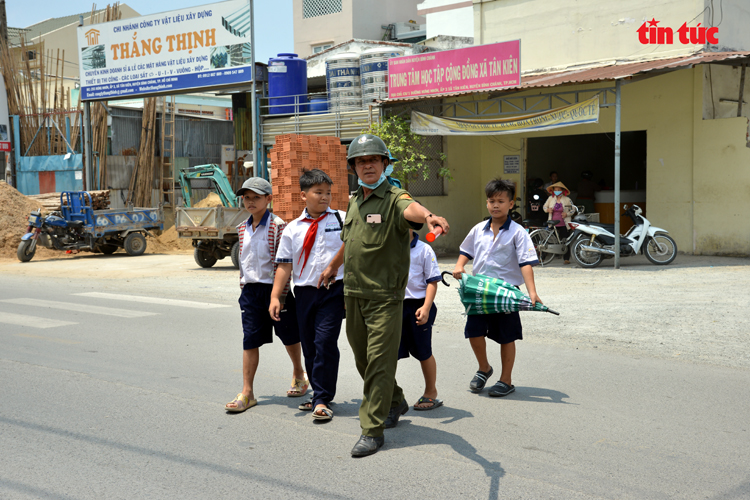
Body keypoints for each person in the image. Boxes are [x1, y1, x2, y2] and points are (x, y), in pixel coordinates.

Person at [318, 133, 450, 458]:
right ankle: (395, 400)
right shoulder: (354, 201)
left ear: (384, 164)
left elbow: (412, 209)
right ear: (354, 167)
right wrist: (332, 267)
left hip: (385, 299)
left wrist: (429, 216)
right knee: (364, 360)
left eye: (373, 160)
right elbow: (351, 241)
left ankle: (372, 430)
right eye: (361, 161)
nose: (367, 166)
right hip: (353, 294)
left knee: (378, 362)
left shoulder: (393, 197)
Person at [452, 178, 541, 398]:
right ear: (487, 203)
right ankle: (484, 368)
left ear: (511, 204)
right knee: (473, 331)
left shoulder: (518, 232)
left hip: (506, 292)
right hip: (479, 290)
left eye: (501, 201)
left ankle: (506, 380)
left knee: (506, 336)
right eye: (491, 201)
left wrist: (532, 292)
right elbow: (466, 251)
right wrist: (459, 265)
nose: (495, 205)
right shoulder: (478, 229)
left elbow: (526, 263)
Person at [225, 177, 308, 413]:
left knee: (289, 335)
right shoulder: (242, 228)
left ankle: (299, 374)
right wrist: (244, 288)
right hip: (251, 292)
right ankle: (247, 392)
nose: (250, 202)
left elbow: (283, 264)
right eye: (247, 197)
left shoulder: (278, 226)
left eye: (256, 197)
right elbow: (245, 262)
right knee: (250, 339)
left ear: (268, 199)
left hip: (276, 291)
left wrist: (278, 295)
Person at [269, 169, 345, 423]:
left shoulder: (343, 220)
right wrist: (275, 296)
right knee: (310, 346)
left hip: (333, 291)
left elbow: (355, 242)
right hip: (303, 293)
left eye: (328, 193)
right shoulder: (292, 229)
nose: (325, 197)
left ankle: (322, 398)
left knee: (325, 342)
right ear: (304, 195)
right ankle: (318, 394)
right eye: (318, 192)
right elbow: (284, 265)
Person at [398, 228, 442, 411]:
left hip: (418, 306)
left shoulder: (424, 249)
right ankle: (389, 396)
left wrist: (426, 307)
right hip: (393, 306)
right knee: (388, 354)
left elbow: (432, 281)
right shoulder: (385, 248)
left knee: (423, 350)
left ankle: (431, 392)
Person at [542, 181, 575, 264]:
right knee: (548, 240)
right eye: (555, 190)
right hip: (552, 223)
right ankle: (542, 258)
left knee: (565, 241)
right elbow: (544, 207)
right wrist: (547, 210)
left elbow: (573, 209)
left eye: (558, 189)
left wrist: (567, 214)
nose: (557, 191)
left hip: (564, 224)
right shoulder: (550, 199)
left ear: (563, 191)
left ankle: (566, 259)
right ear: (553, 191)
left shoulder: (567, 199)